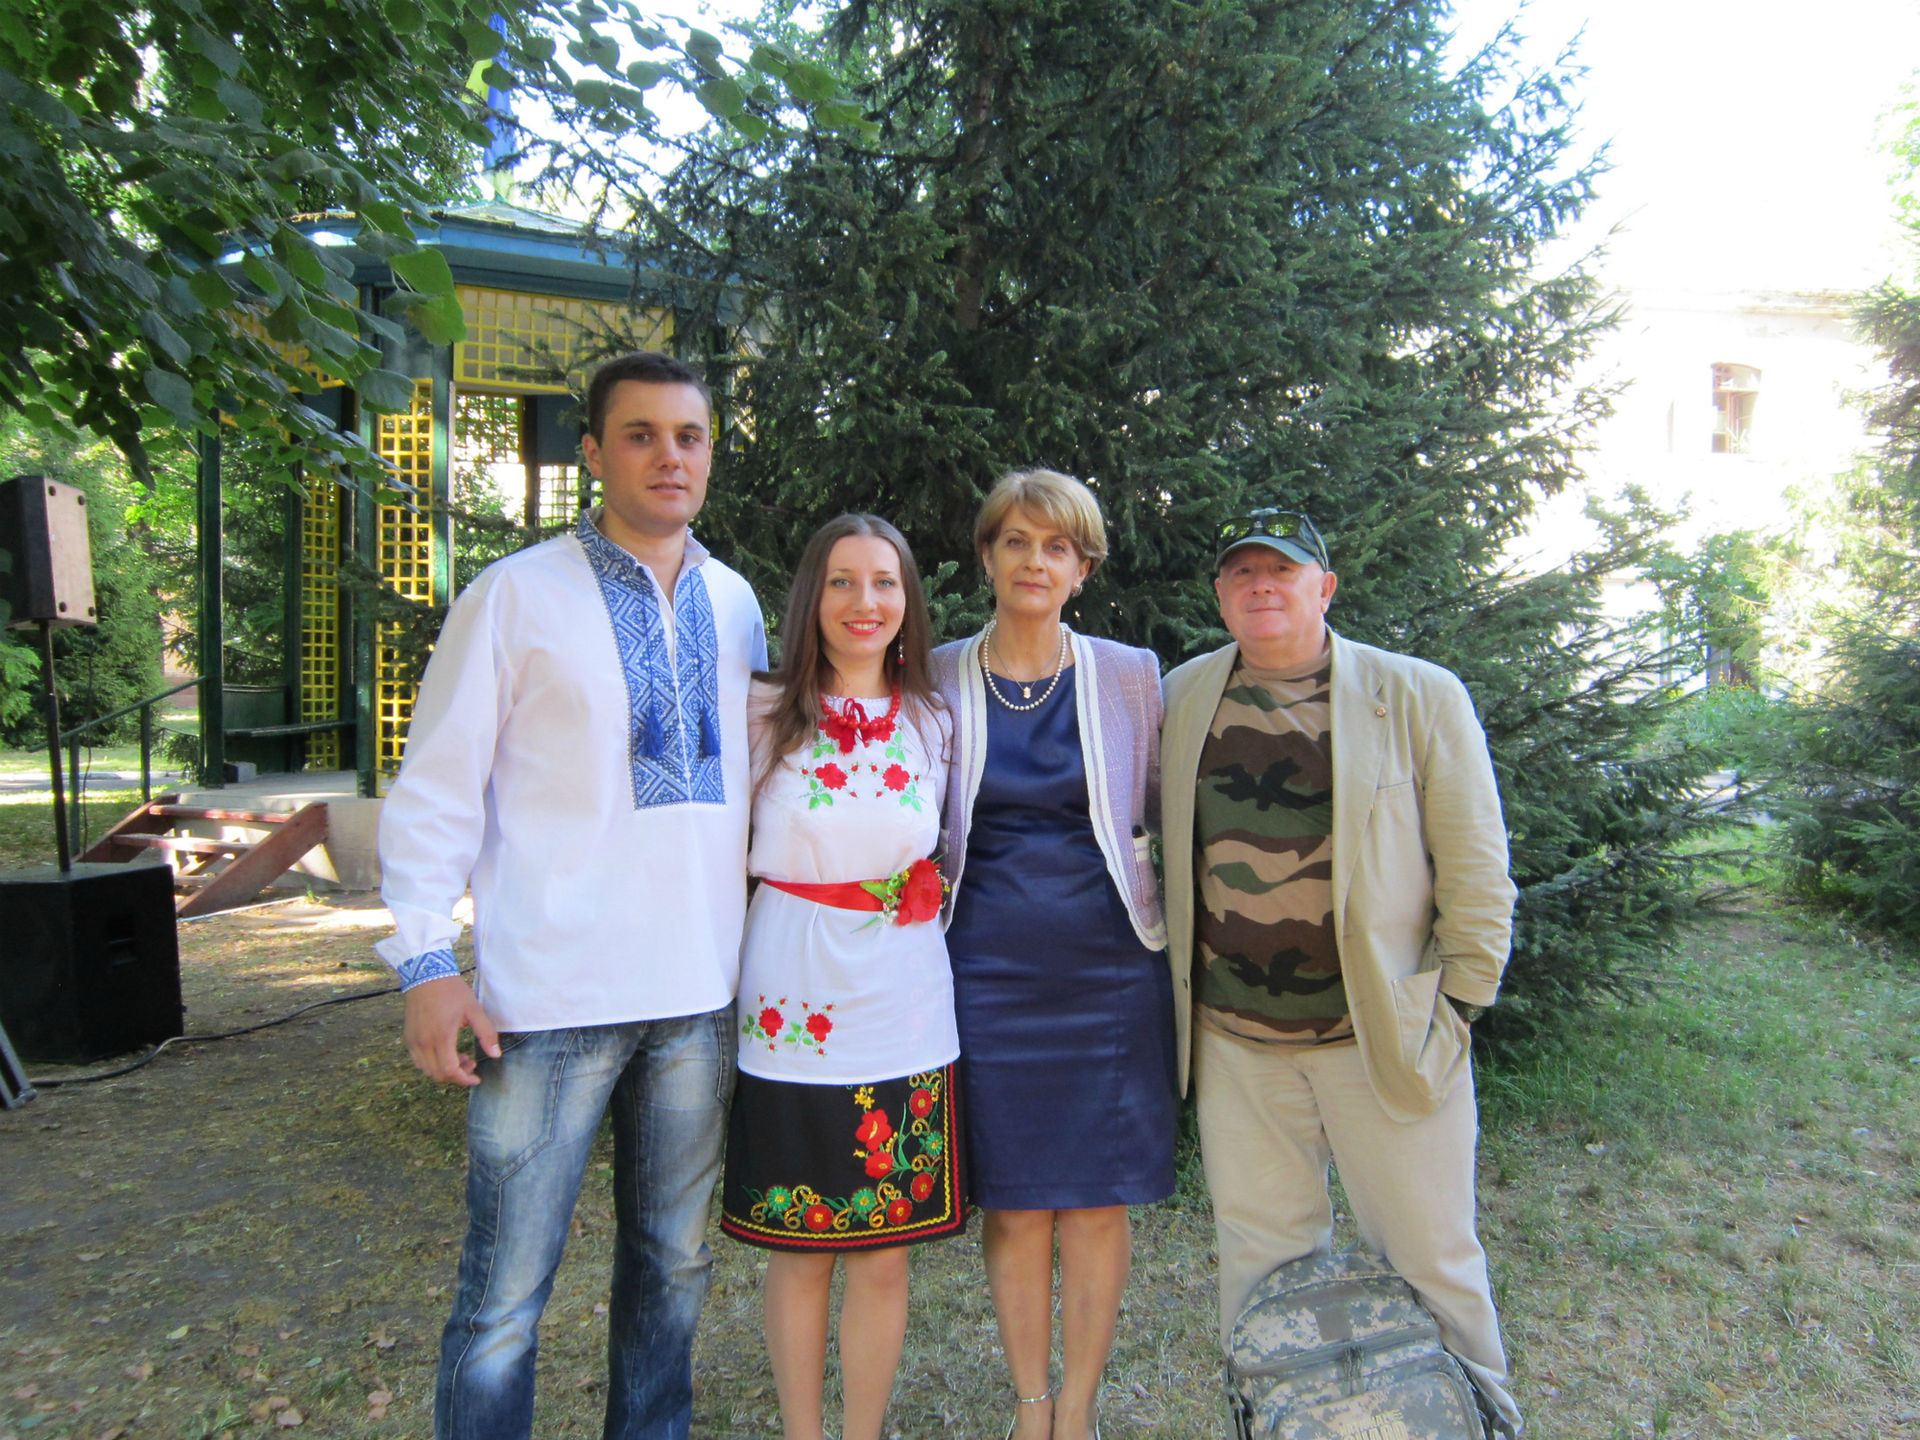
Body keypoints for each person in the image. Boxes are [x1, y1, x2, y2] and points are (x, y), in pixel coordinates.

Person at [374, 352, 767, 1440]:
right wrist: (425, 965)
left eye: (688, 436)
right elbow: (436, 789)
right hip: (548, 1002)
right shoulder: (513, 596)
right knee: (504, 1298)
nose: (669, 456)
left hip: (699, 995)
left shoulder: (736, 604)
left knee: (673, 1267)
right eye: (640, 434)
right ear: (594, 452)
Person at [1158, 508, 1523, 1437]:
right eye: (1242, 572)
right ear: (1220, 596)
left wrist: (1458, 1008)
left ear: (1324, 588)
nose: (1262, 585)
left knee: (1433, 1262)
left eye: (1283, 570)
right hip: (1239, 1051)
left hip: (1382, 1041)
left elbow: (1478, 872)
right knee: (1262, 1270)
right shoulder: (1184, 695)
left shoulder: (1417, 696)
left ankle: (1484, 1418)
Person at [932, 469, 1176, 1440]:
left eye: (1058, 547)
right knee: (1019, 1201)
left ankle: (1078, 1411)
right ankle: (1031, 1405)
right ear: (988, 557)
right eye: (1017, 542)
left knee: (1097, 1202)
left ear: (1083, 570)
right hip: (983, 972)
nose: (1036, 561)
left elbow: (1159, 807)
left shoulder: (1129, 675)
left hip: (1108, 971)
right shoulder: (937, 675)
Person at [718, 514, 964, 1440]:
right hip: (792, 1005)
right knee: (800, 1247)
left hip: (903, 1004)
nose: (866, 602)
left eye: (885, 582)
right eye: (843, 582)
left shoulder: (933, 719)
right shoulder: (760, 712)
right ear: (811, 598)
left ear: (908, 601)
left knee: (885, 1252)